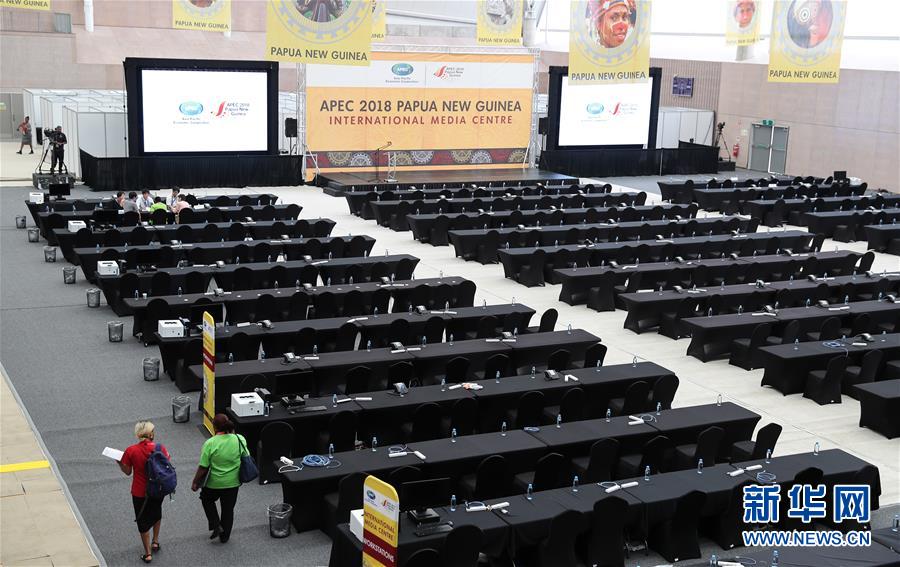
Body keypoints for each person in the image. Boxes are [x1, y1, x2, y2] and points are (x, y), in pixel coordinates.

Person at [191, 414, 249, 543]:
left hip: (214, 483)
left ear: (214, 427)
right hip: (233, 482)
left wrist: (195, 482)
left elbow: (203, 467)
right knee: (228, 509)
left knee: (206, 499)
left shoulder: (210, 443)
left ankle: (216, 524)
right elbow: (246, 456)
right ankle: (225, 536)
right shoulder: (239, 439)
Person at [118, 421, 169, 563]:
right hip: (158, 489)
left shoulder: (131, 450)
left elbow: (127, 471)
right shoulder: (160, 448)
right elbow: (166, 464)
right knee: (156, 512)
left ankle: (148, 553)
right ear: (150, 434)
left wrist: (119, 462)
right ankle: (155, 541)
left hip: (140, 492)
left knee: (142, 521)